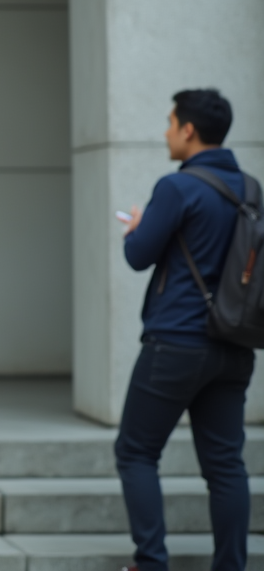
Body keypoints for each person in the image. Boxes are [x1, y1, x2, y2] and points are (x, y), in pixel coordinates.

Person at [116, 88, 254, 571]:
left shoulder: (178, 187)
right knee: (225, 466)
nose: (166, 131)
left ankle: (151, 563)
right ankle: (231, 566)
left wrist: (137, 226)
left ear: (189, 130)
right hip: (236, 346)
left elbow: (138, 256)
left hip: (175, 343)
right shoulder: (251, 189)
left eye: (171, 122)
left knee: (135, 451)